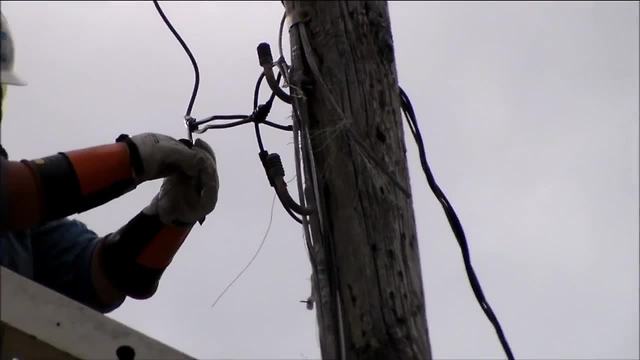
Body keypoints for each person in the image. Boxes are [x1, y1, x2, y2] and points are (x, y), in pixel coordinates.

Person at [0, 13, 219, 313]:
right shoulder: (16, 203)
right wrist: (132, 158)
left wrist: (166, 218)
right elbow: (11, 194)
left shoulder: (20, 231)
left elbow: (101, 278)